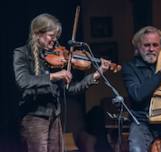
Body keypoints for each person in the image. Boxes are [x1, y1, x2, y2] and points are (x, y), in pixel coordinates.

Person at [13, 13, 111, 152]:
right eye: (51, 36)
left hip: (55, 117)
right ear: (37, 33)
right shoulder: (22, 53)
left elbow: (71, 89)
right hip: (34, 117)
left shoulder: (55, 58)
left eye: (56, 37)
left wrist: (96, 74)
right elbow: (23, 81)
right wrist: (53, 76)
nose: (54, 40)